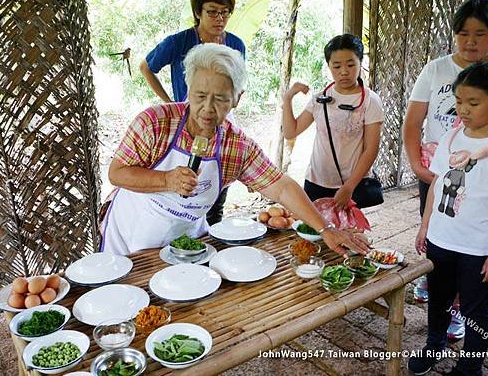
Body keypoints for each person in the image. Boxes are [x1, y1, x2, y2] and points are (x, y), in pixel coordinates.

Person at [101, 43, 369, 257]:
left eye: (219, 99)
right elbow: (117, 173)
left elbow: (281, 186)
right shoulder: (155, 122)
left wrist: (326, 228)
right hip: (129, 237)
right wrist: (166, 180)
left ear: (237, 99)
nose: (207, 108)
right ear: (188, 89)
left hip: (184, 243)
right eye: (199, 96)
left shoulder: (236, 145)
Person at [403, 0, 488, 340]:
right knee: (439, 233)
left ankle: (459, 312)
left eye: (481, 34)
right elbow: (413, 122)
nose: (470, 41)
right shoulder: (435, 69)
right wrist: (416, 166)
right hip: (439, 167)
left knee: (476, 241)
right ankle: (439, 289)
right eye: (463, 33)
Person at [140, 0, 246, 225]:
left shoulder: (236, 44)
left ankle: (212, 232)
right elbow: (146, 67)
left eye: (225, 12)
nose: (219, 18)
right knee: (184, 188)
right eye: (212, 12)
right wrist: (169, 102)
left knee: (216, 188)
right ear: (198, 12)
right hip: (185, 125)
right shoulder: (178, 42)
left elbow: (237, 83)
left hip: (218, 124)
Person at [282, 34, 383, 209]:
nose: (344, 71)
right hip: (316, 181)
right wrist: (288, 98)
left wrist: (349, 187)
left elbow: (371, 149)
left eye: (351, 65)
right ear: (329, 66)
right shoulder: (320, 98)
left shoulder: (369, 101)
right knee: (313, 233)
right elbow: (291, 132)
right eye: (337, 66)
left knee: (348, 234)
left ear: (360, 63)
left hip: (351, 184)